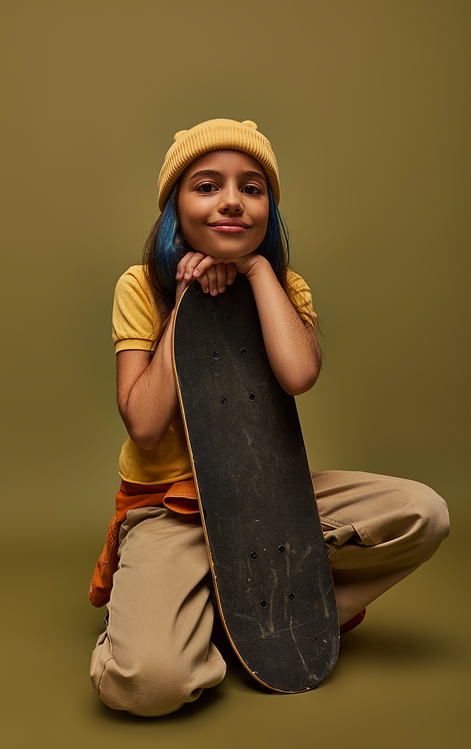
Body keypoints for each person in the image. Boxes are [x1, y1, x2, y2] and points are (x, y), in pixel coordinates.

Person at [89, 118, 449, 717]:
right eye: (206, 186)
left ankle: (263, 611)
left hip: (268, 502)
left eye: (251, 188)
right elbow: (146, 426)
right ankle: (190, 617)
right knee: (148, 684)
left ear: (268, 208)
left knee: (422, 513)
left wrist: (258, 273)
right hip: (169, 510)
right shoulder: (141, 286)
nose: (231, 200)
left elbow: (297, 375)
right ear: (175, 205)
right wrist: (183, 302)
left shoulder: (284, 284)